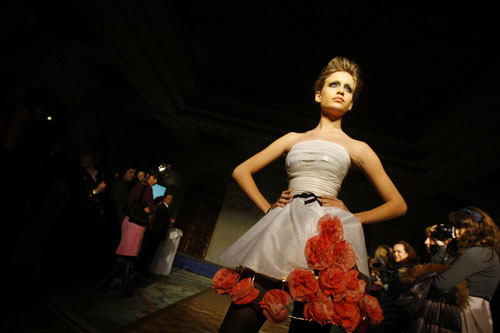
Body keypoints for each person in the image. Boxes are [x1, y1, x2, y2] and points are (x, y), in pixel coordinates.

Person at [217, 56, 407, 332]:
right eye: (334, 84)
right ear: (319, 94)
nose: (341, 90)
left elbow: (398, 205)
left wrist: (352, 217)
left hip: (326, 239)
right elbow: (241, 171)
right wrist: (268, 208)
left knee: (312, 321)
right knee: (243, 315)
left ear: (352, 103)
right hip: (283, 228)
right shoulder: (293, 138)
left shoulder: (358, 148)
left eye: (348, 88)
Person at [429, 207, 500, 332]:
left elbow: (439, 284)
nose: (455, 232)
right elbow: (436, 272)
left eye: (460, 227)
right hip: (459, 310)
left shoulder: (479, 253)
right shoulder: (475, 252)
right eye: (454, 227)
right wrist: (440, 247)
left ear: (475, 228)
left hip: (467, 311)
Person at [102, 170, 158, 296]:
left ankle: (118, 285)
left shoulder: (135, 186)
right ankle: (121, 286)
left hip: (128, 220)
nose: (155, 183)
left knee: (125, 253)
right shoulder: (147, 188)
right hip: (137, 224)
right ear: (150, 178)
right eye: (155, 180)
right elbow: (152, 208)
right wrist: (150, 209)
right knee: (129, 256)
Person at [140, 193, 175, 272]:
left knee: (152, 251)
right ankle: (142, 268)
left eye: (171, 199)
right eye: (168, 198)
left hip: (159, 233)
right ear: (164, 199)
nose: (170, 200)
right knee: (149, 250)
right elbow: (160, 219)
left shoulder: (167, 208)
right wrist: (169, 220)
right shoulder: (161, 207)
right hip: (156, 232)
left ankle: (145, 268)